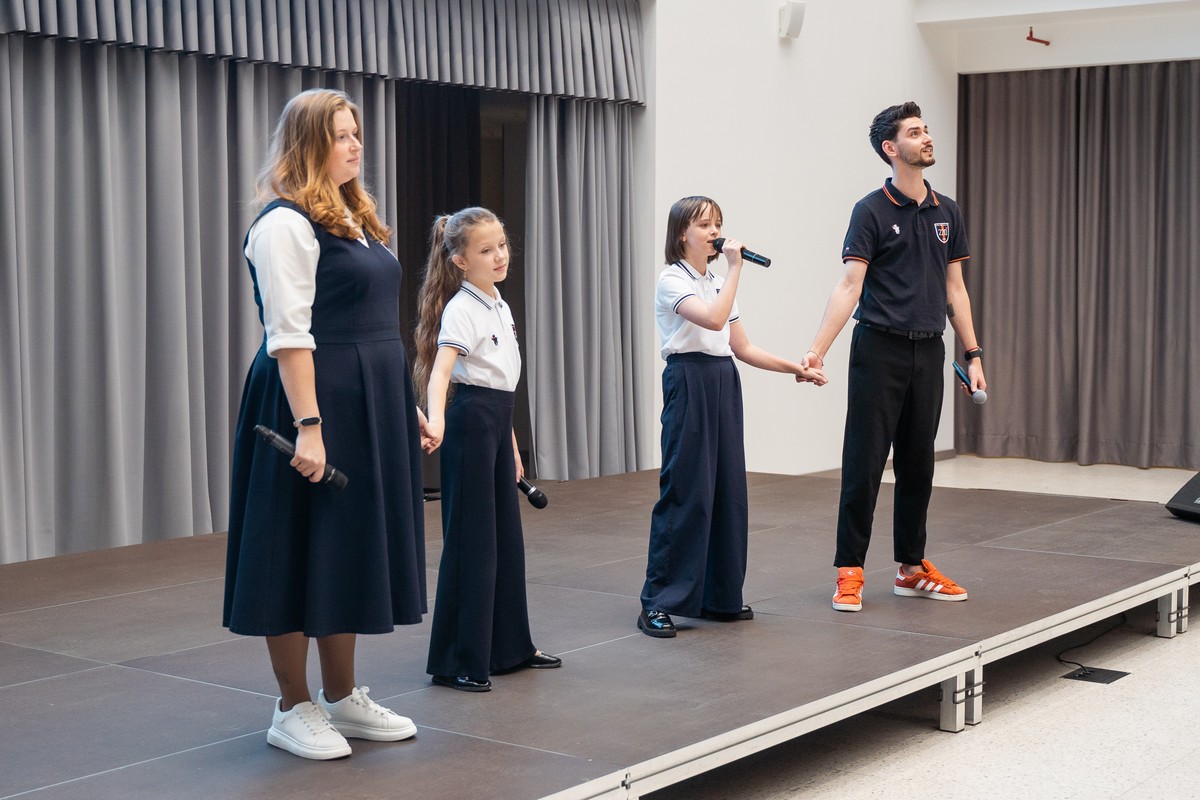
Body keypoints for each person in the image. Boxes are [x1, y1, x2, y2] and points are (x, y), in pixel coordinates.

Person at [222, 88, 428, 760]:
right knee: (291, 548)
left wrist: (403, 404)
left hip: (365, 400)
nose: (356, 144)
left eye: (356, 132)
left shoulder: (351, 218)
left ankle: (341, 697)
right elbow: (289, 336)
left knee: (345, 547)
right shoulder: (284, 225)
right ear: (308, 143)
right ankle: (292, 706)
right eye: (341, 135)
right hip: (308, 400)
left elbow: (372, 322)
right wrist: (308, 425)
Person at [801, 101, 988, 613]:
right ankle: (849, 570)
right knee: (863, 463)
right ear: (891, 148)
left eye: (926, 130)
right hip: (878, 348)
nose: (926, 137)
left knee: (918, 464)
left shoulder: (947, 211)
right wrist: (817, 351)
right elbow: (849, 285)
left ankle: (911, 567)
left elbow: (956, 289)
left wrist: (973, 354)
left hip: (929, 349)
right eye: (914, 132)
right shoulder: (871, 210)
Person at [637, 196, 827, 639]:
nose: (715, 232)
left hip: (723, 380)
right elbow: (712, 319)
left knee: (727, 491)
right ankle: (658, 602)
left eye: (718, 223)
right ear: (682, 232)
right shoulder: (672, 279)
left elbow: (741, 347)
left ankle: (717, 596)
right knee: (687, 491)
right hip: (689, 379)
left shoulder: (717, 281)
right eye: (705, 224)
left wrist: (794, 368)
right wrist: (737, 267)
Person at [415, 207, 561, 691]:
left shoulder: (499, 303)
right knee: (472, 543)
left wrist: (511, 443)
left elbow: (502, 384)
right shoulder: (461, 308)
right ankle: (460, 659)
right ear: (460, 260)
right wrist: (436, 419)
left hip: (496, 422)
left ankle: (509, 648)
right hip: (471, 423)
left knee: (505, 542)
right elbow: (442, 372)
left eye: (502, 245)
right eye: (486, 250)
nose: (500, 256)